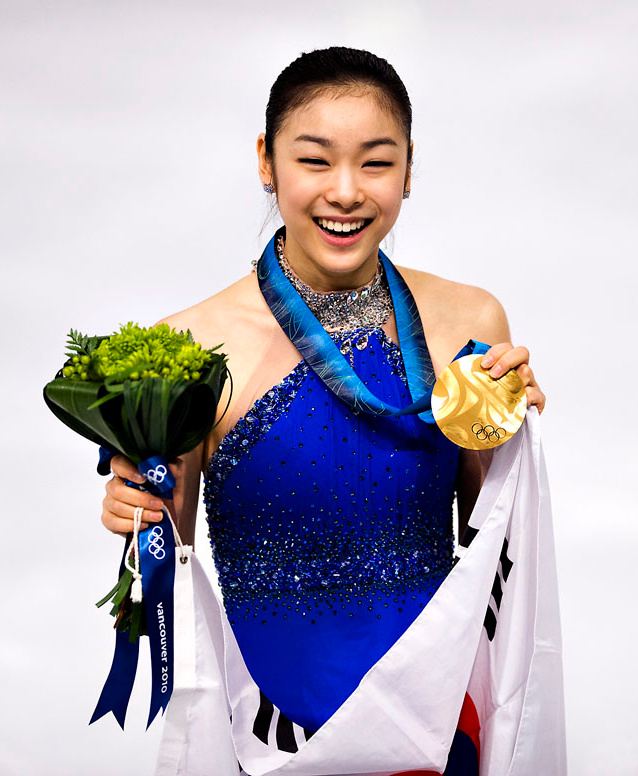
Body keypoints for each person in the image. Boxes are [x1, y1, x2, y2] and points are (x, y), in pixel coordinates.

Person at [101, 47, 546, 774]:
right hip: (273, 730)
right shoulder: (187, 351)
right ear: (266, 163)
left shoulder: (466, 317)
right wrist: (131, 511)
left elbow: (492, 547)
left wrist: (509, 437)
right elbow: (168, 582)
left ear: (408, 166)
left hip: (432, 723)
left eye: (375, 162)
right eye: (314, 160)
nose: (346, 192)